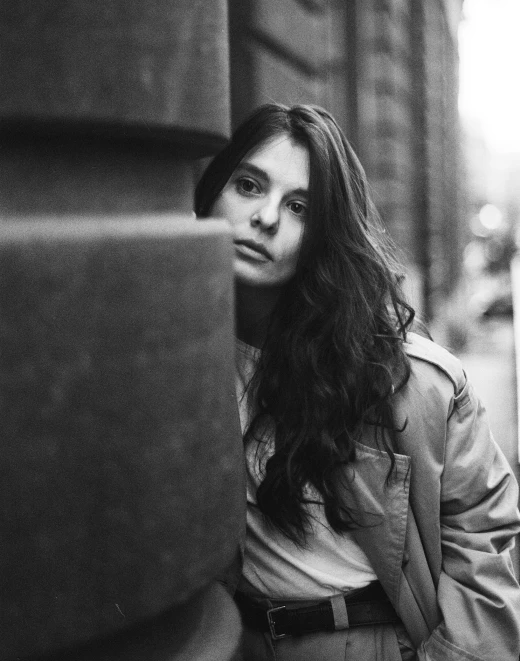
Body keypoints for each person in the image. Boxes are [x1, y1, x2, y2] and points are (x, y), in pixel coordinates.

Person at [195, 103, 520, 661]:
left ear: (326, 233)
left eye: (299, 207)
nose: (265, 217)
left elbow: (484, 559)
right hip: (233, 642)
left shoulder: (409, 381)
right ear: (212, 191)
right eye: (248, 185)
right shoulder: (169, 356)